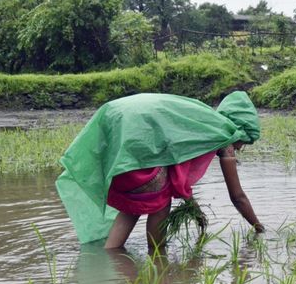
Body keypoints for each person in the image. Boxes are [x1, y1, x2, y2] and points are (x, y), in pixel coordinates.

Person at [56, 91, 264, 252]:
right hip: (137, 151)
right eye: (244, 142)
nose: (240, 148)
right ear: (240, 130)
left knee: (132, 209)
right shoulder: (224, 135)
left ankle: (111, 260)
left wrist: (195, 209)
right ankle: (158, 260)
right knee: (160, 202)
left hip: (122, 154)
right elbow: (237, 196)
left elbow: (176, 172)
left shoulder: (201, 120)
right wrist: (259, 228)